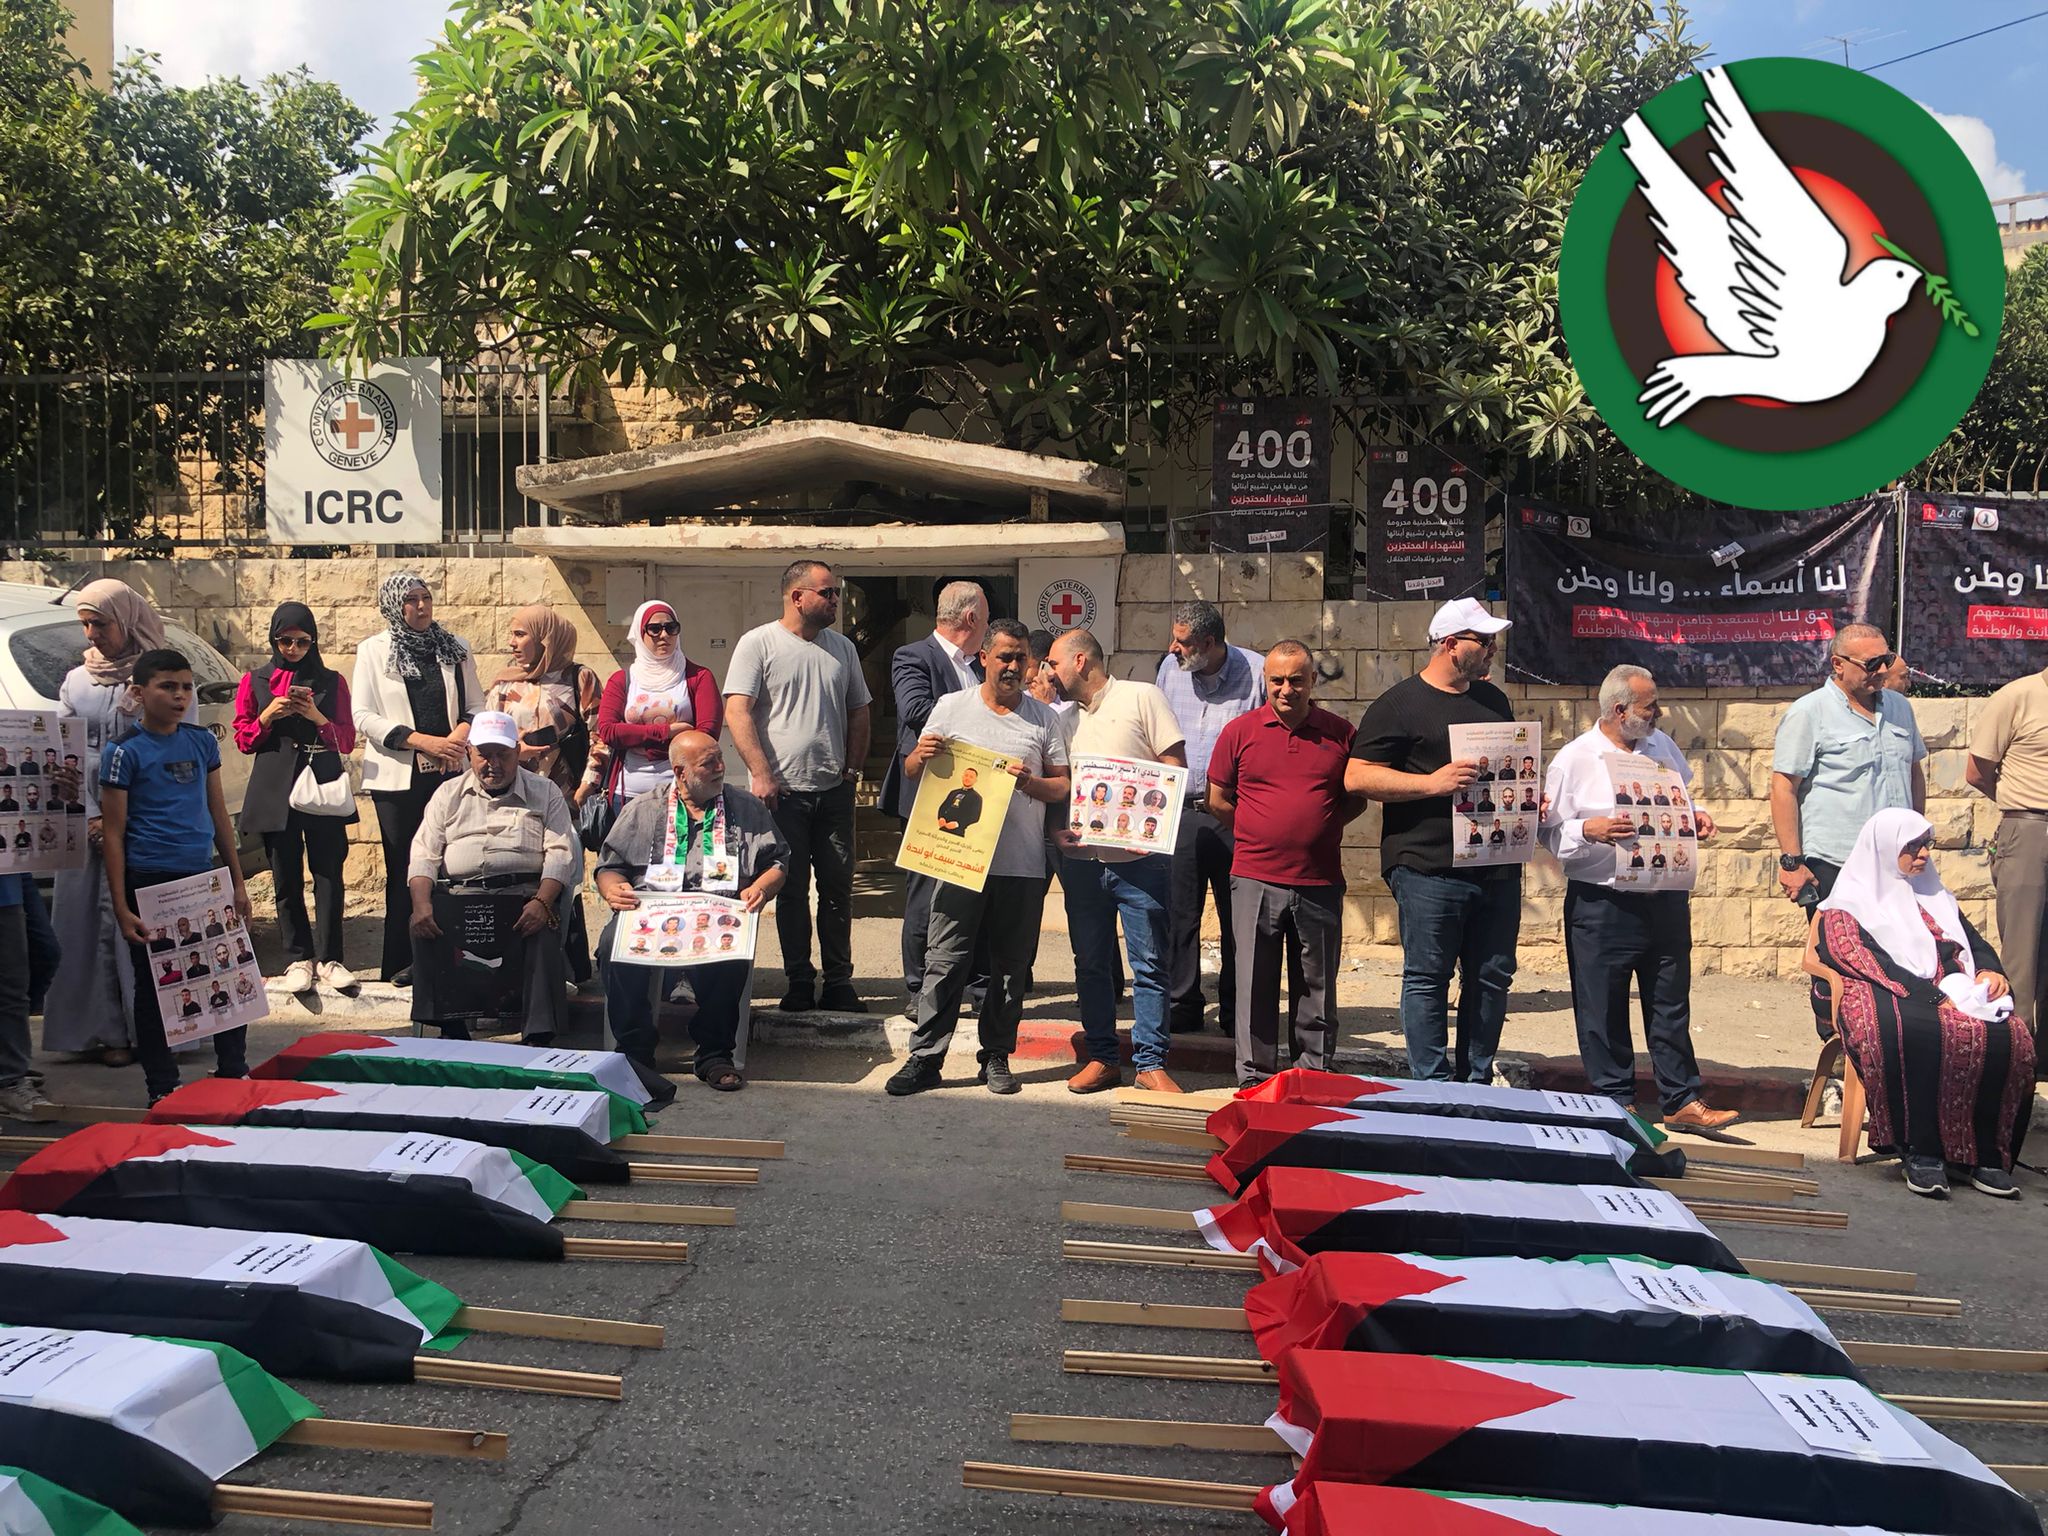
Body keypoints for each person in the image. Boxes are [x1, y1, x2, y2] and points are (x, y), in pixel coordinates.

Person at [1543, 664, 1738, 1132]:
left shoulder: (1661, 745)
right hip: (1603, 902)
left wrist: (1697, 816)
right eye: (1650, 707)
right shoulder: (1574, 759)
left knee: (1670, 1000)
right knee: (1603, 1005)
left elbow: (1679, 800)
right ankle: (1615, 1101)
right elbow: (1547, 833)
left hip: (1664, 896)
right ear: (1619, 710)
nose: (1659, 714)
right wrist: (1587, 830)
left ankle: (1681, 1099)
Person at [886, 620, 1069, 1097]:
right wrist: (920, 755)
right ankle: (926, 1058)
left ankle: (996, 1056)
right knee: (945, 960)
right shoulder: (951, 707)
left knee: (1009, 967)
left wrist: (1030, 782)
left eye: (1021, 657)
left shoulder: (1044, 719)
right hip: (956, 861)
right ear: (983, 658)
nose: (1013, 666)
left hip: (1020, 864)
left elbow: (1062, 785)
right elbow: (912, 770)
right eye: (1004, 656)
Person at [1816, 809, 2033, 1200]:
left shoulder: (1934, 894)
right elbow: (1855, 955)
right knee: (1911, 1031)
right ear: (1885, 848)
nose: (1924, 854)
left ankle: (1983, 1157)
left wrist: (1989, 970)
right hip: (1889, 987)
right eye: (1913, 846)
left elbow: (1971, 941)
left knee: (2010, 1034)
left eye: (1926, 845)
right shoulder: (1849, 901)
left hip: (1950, 985)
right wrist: (1931, 997)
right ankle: (1920, 1152)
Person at [1346, 598, 1518, 1084]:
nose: (1493, 649)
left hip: (1496, 863)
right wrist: (1430, 784)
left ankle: (1477, 1082)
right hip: (1427, 867)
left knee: (1492, 976)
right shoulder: (1398, 705)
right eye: (1484, 641)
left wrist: (1529, 803)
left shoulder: (1494, 700)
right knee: (1428, 976)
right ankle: (1432, 1085)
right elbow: (1357, 776)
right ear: (1450, 644)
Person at [595, 729, 788, 1093]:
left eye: (720, 759)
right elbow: (609, 866)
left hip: (717, 914)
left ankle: (715, 1054)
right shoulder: (643, 808)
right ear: (680, 773)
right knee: (612, 945)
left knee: (732, 949)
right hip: (651, 913)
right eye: (708, 763)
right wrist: (612, 888)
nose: (720, 768)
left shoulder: (746, 807)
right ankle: (635, 1051)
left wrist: (761, 888)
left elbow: (777, 862)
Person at [99, 649, 251, 1104]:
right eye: (167, 687)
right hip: (150, 880)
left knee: (225, 972)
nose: (180, 696)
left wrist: (237, 881)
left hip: (202, 875)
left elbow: (219, 815)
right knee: (156, 986)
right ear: (139, 692)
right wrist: (121, 906)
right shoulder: (123, 751)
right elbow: (113, 833)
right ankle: (162, 1087)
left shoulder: (202, 742)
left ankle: (234, 1071)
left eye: (186, 687)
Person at [726, 560, 872, 1014]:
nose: (835, 601)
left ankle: (839, 981)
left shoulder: (842, 649)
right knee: (790, 890)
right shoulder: (759, 643)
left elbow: (859, 710)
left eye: (836, 593)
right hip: (783, 795)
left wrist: (852, 772)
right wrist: (761, 773)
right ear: (797, 597)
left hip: (833, 792)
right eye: (827, 593)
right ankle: (799, 982)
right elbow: (737, 711)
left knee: (837, 889)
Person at [1208, 641, 1356, 1089]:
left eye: (1296, 680)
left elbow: (1355, 800)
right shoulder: (1239, 732)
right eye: (1277, 680)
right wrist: (1259, 830)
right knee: (1255, 983)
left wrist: (1317, 826)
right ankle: (1254, 1078)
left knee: (1317, 985)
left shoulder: (1340, 734)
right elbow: (1218, 799)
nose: (1286, 689)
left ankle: (1314, 1075)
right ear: (1265, 681)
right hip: (1255, 877)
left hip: (1319, 879)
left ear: (1313, 681)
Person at [44, 579, 180, 1069]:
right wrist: (91, 813)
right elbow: (64, 753)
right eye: (85, 624)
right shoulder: (77, 682)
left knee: (146, 921)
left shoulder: (161, 677)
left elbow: (177, 747)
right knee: (89, 925)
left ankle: (158, 1031)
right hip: (85, 817)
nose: (91, 634)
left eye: (100, 623)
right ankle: (104, 1032)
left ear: (126, 621)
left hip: (145, 816)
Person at [1050, 628, 1188, 1095]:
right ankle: (1103, 1058)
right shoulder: (1064, 720)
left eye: (1054, 663)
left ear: (1081, 661)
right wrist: (1058, 830)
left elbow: (1173, 767)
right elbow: (1063, 787)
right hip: (1083, 863)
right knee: (1090, 963)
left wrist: (1150, 829)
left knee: (1149, 964)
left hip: (1139, 864)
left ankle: (1150, 1063)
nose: (1049, 672)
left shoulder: (1142, 697)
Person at [405, 712, 578, 1044]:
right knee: (423, 921)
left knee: (544, 927)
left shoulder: (545, 792)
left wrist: (542, 902)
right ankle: (451, 1029)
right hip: (461, 898)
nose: (493, 764)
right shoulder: (447, 794)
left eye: (503, 754)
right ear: (469, 752)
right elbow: (424, 854)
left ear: (517, 752)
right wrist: (421, 905)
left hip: (524, 898)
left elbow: (560, 854)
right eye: (484, 754)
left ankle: (538, 1036)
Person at [353, 572, 482, 986]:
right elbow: (363, 715)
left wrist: (456, 740)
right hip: (397, 778)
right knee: (404, 869)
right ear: (394, 605)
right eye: (411, 599)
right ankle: (402, 962)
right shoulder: (373, 651)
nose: (421, 606)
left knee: (451, 866)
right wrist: (422, 741)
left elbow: (475, 705)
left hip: (449, 771)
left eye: (425, 597)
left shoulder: (455, 647)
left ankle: (451, 958)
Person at [233, 602, 357, 997]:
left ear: (313, 642)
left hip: (321, 785)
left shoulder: (332, 681)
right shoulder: (255, 680)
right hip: (275, 789)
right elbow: (243, 739)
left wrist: (317, 717)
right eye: (285, 641)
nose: (293, 649)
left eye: (302, 642)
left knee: (328, 874)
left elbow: (347, 740)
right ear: (274, 640)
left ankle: (331, 958)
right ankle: (298, 957)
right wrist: (268, 715)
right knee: (285, 876)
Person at [1154, 601, 1266, 1037]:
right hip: (1181, 811)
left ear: (1208, 642)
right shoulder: (1170, 670)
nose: (1173, 648)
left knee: (1240, 916)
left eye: (1182, 642)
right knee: (1178, 914)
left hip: (1235, 813)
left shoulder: (1257, 673)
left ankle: (1238, 1009)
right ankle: (1182, 1004)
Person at [487, 604, 609, 985]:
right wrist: (516, 753)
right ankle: (518, 966)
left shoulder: (579, 678)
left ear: (545, 638)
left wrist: (585, 788)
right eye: (512, 634)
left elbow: (601, 738)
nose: (512, 642)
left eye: (520, 634)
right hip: (515, 798)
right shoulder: (504, 684)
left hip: (563, 799)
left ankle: (564, 967)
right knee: (521, 877)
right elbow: (486, 739)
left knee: (563, 879)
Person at [883, 583, 989, 1002]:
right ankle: (919, 988)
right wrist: (984, 720)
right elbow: (915, 711)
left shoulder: (979, 665)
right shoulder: (914, 656)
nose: (986, 627)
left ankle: (974, 985)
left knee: (974, 893)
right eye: (985, 618)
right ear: (971, 619)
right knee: (926, 895)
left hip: (976, 794)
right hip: (929, 794)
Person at [1770, 623, 1926, 908]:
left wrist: (1918, 838)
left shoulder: (1900, 708)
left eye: (1886, 660)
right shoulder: (1809, 712)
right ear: (1838, 664)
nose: (1882, 670)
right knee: (1841, 939)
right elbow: (1783, 788)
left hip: (1897, 860)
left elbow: (1913, 773)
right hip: (1836, 862)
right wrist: (1792, 863)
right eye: (1871, 664)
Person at [1966, 663, 2048, 1042]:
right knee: (2022, 953)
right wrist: (2021, 804)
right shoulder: (2017, 697)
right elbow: (1977, 771)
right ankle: (2019, 1053)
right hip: (2030, 828)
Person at [595, 600, 723, 821]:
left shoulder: (698, 677)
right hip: (628, 794)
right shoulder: (622, 680)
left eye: (671, 628)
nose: (664, 635)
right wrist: (666, 732)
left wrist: (636, 738)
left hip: (685, 794)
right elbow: (608, 731)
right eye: (654, 629)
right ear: (640, 633)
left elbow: (707, 734)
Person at [935, 768, 983, 836]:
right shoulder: (953, 792)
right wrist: (941, 818)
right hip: (943, 827)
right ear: (962, 777)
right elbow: (943, 807)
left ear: (975, 780)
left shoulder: (977, 797)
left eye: (971, 777)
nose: (967, 778)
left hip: (958, 832)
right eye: (966, 775)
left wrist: (957, 824)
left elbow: (975, 817)